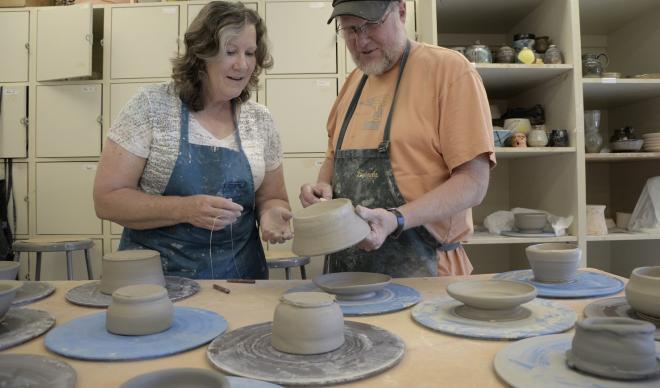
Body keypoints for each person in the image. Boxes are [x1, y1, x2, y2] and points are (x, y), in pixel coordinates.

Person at [93, 1, 292, 280]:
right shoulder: (151, 107)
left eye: (250, 53)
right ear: (202, 54)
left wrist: (273, 213)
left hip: (241, 279)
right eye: (230, 51)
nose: (243, 64)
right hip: (156, 282)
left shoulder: (260, 121)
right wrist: (184, 209)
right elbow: (107, 200)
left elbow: (272, 197)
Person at [300, 0, 496, 277]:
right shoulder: (353, 84)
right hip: (347, 276)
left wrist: (397, 219)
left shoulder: (449, 72)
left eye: (370, 26)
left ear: (401, 11)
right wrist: (322, 188)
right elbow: (334, 158)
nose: (361, 41)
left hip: (425, 272)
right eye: (350, 30)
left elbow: (474, 183)